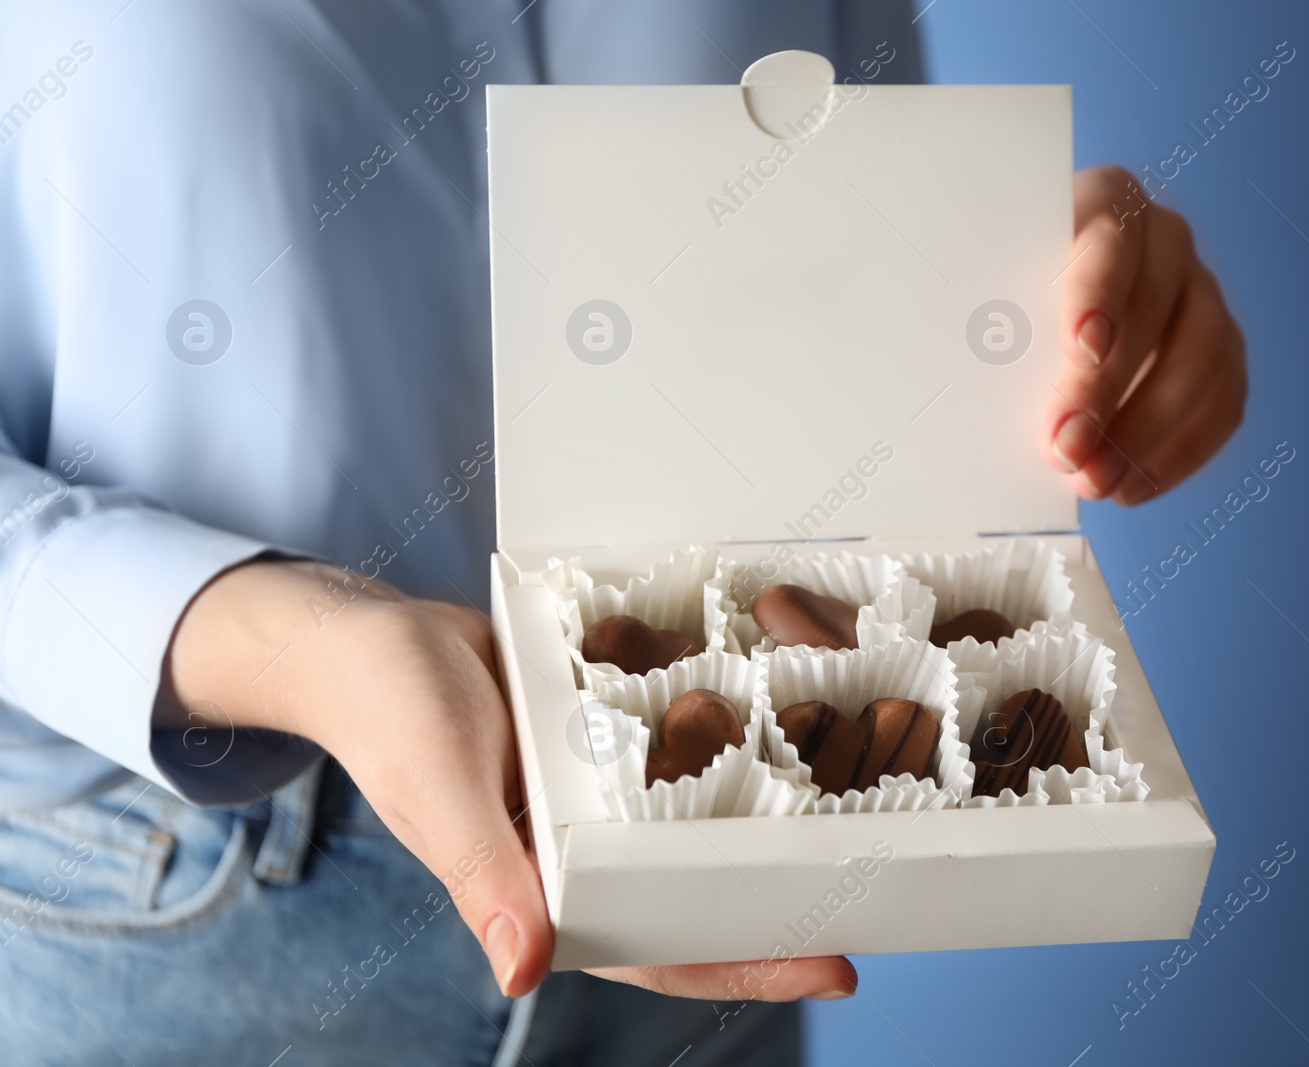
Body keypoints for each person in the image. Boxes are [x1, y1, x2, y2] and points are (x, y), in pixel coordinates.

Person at [0, 1, 1245, 1063]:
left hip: (704, 893)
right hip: (174, 915)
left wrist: (1030, 298)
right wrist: (297, 643)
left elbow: (836, 245)